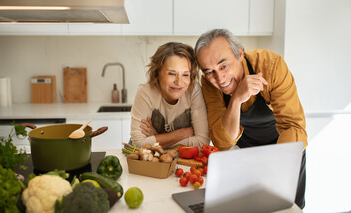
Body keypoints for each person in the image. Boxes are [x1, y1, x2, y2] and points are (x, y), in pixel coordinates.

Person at [194, 29, 307, 209]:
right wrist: (236, 99)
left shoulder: (271, 66)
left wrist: (276, 171)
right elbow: (222, 142)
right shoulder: (209, 84)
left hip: (284, 151)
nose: (219, 78)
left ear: (239, 53)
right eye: (209, 71)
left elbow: (293, 126)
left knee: (288, 209)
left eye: (223, 66)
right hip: (246, 155)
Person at [130, 42, 210, 150]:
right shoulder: (146, 91)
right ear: (157, 72)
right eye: (172, 74)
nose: (179, 82)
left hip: (183, 160)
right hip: (148, 159)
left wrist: (156, 137)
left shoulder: (193, 90)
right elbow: (139, 143)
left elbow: (202, 142)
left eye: (185, 75)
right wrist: (182, 133)